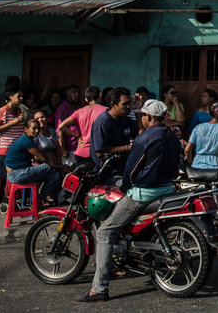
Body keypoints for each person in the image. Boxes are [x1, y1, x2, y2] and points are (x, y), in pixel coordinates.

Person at [76, 100, 181, 303]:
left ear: (149, 117)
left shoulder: (144, 138)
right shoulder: (172, 136)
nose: (140, 117)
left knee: (106, 230)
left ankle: (98, 288)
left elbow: (131, 170)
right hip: (166, 189)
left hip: (144, 193)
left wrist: (125, 187)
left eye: (143, 114)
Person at [5, 118, 64, 204]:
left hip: (20, 172)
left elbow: (40, 157)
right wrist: (62, 167)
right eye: (34, 128)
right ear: (26, 129)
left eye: (38, 128)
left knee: (56, 174)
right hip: (16, 174)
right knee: (52, 167)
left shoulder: (29, 140)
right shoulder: (26, 141)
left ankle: (39, 199)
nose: (36, 131)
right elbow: (45, 159)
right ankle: (40, 199)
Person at [90, 88, 138, 185]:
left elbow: (138, 135)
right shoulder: (103, 122)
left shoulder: (126, 119)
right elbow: (100, 152)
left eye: (130, 103)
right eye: (125, 104)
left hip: (124, 168)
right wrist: (127, 148)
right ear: (112, 105)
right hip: (107, 172)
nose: (129, 107)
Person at [0, 88, 26, 211]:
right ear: (10, 97)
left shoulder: (19, 111)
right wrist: (14, 122)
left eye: (22, 96)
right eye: (18, 96)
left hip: (16, 151)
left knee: (12, 178)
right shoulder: (3, 111)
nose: (21, 99)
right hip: (4, 150)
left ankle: (9, 203)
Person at [58, 86, 106, 169]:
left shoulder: (79, 112)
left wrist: (77, 136)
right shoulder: (105, 111)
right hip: (96, 152)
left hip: (81, 152)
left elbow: (61, 126)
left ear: (86, 99)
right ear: (100, 95)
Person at [186, 100, 218, 169]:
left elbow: (187, 150)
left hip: (197, 166)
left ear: (209, 113)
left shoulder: (197, 128)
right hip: (216, 167)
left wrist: (191, 163)